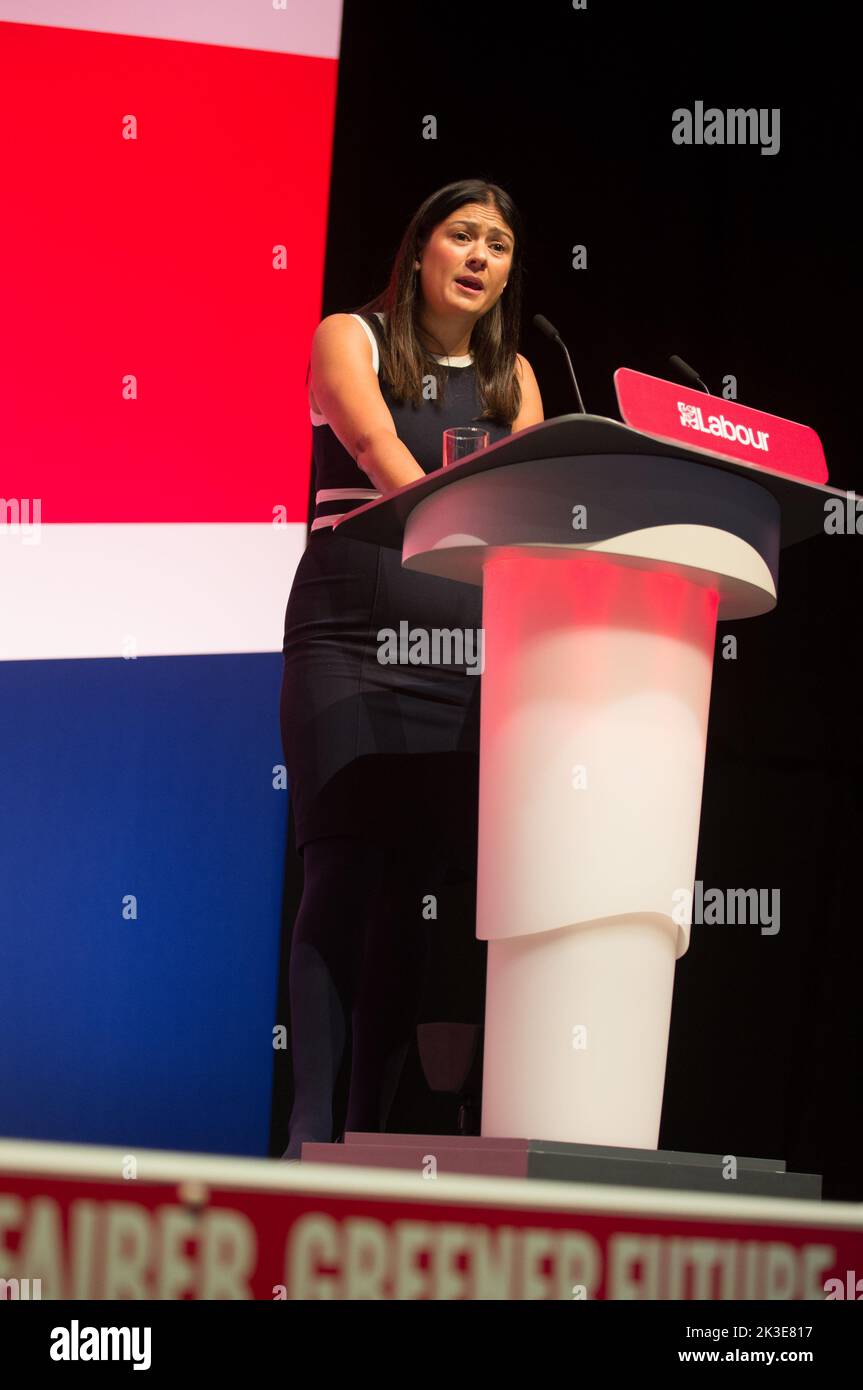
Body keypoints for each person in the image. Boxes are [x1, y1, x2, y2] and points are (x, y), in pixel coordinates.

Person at [279, 178, 544, 1159]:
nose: (480, 256)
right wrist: (474, 523)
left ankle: (372, 1142)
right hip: (350, 633)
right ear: (419, 248)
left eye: (499, 244)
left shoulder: (515, 374)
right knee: (341, 868)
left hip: (462, 653)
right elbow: (376, 444)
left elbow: (536, 502)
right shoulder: (349, 334)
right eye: (461, 235)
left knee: (414, 895)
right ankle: (308, 1137)